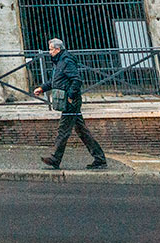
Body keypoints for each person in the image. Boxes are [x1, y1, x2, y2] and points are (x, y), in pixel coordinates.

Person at [36, 38, 107, 170]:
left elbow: (76, 80)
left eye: (51, 49)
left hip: (70, 102)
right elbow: (56, 81)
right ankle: (100, 158)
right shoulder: (60, 62)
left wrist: (70, 96)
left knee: (63, 130)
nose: (49, 52)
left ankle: (55, 158)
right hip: (69, 101)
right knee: (82, 130)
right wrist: (42, 88)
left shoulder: (66, 61)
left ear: (58, 49)